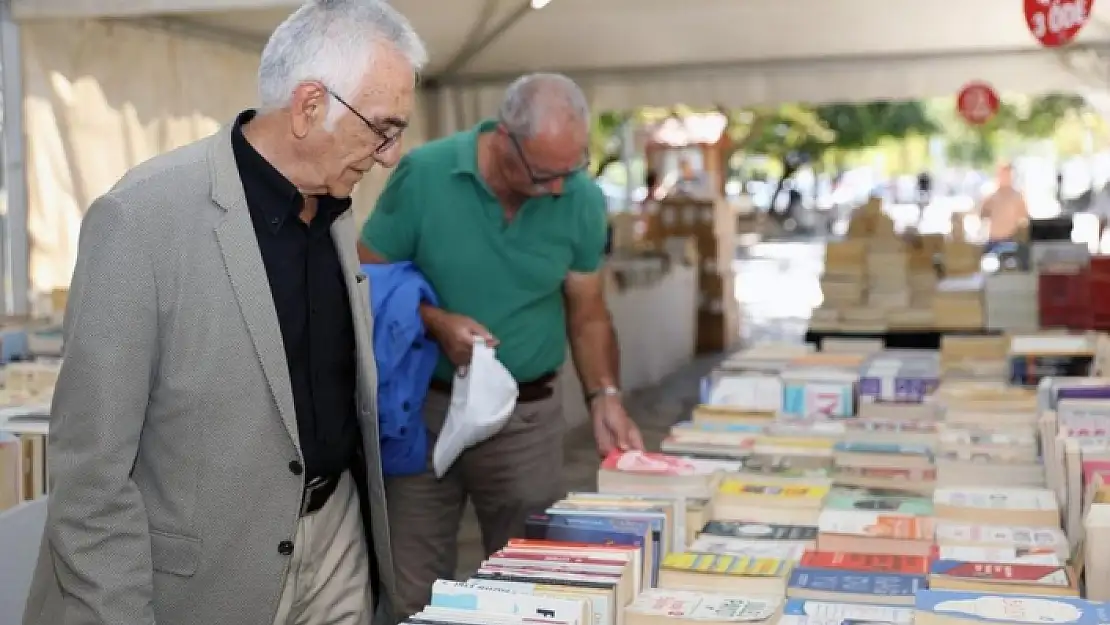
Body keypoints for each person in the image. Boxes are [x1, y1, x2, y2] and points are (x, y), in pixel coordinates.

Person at [22, 2, 426, 625]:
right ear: (311, 105)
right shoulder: (142, 219)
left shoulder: (336, 206)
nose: (390, 155)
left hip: (338, 537)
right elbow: (91, 475)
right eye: (382, 128)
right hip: (207, 577)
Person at [357, 72, 644, 618]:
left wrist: (604, 393)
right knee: (412, 586)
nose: (559, 188)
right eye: (544, 173)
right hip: (424, 409)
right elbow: (366, 278)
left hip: (525, 419)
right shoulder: (425, 173)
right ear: (504, 139)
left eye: (572, 169)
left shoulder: (579, 197)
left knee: (531, 588)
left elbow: (587, 313)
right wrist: (434, 320)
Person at [979, 164, 1029, 250]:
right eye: (1002, 174)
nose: (1005, 177)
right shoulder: (992, 196)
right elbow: (982, 215)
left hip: (1011, 241)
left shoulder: (1017, 197)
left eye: (1007, 174)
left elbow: (1024, 219)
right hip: (994, 240)